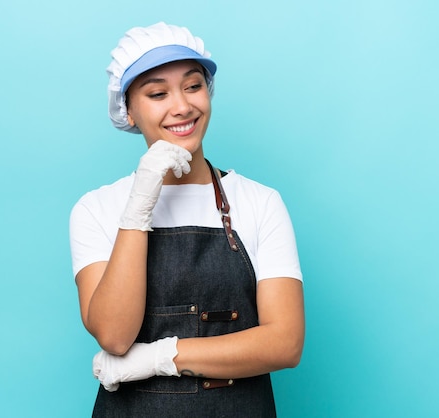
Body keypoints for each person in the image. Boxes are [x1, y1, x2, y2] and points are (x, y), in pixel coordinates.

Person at [69, 22, 305, 417]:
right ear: (128, 111)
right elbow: (113, 334)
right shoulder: (97, 208)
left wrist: (161, 357)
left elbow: (285, 343)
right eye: (157, 93)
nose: (181, 106)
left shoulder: (260, 202)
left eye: (193, 86)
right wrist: (140, 202)